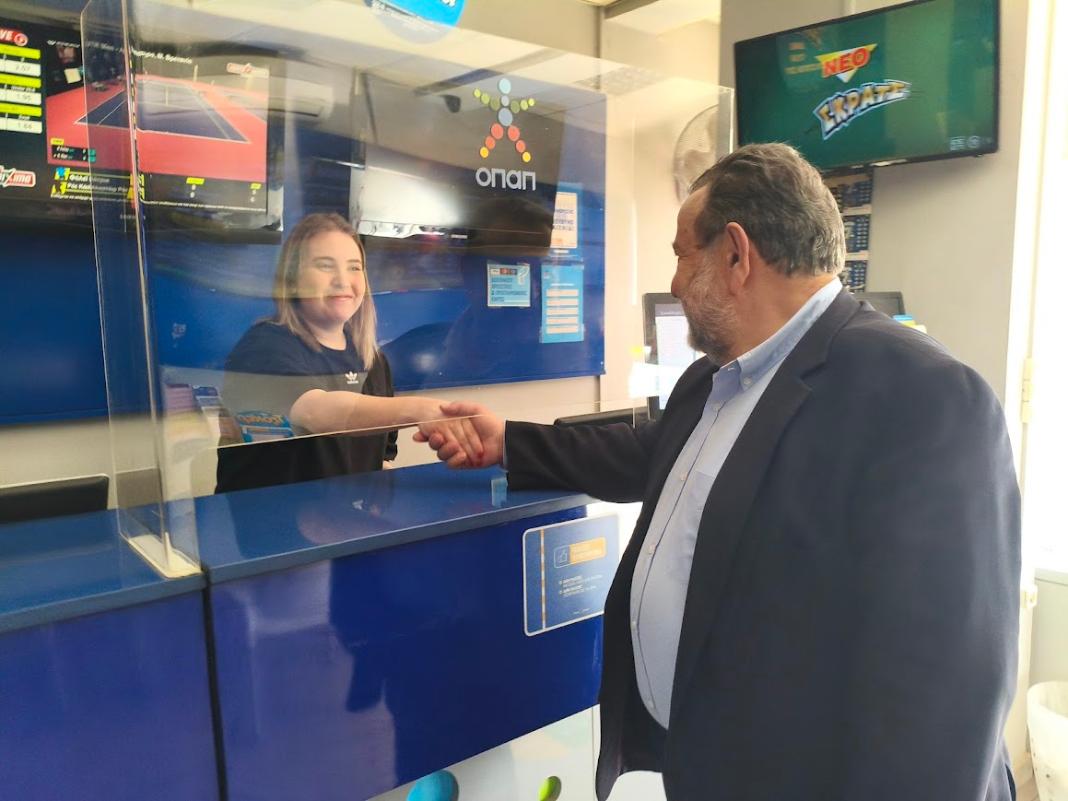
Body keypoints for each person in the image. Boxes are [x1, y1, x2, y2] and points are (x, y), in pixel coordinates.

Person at [419, 144, 1021, 800]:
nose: (676, 284)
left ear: (736, 255)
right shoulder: (715, 380)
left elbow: (951, 685)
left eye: (683, 255)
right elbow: (643, 456)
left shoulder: (924, 394)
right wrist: (507, 441)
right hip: (709, 767)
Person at [216, 212, 480, 493]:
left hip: (345, 518)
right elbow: (316, 412)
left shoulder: (373, 360)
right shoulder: (263, 347)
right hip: (272, 519)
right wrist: (421, 410)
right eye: (325, 265)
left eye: (354, 267)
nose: (342, 280)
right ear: (291, 280)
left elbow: (381, 456)